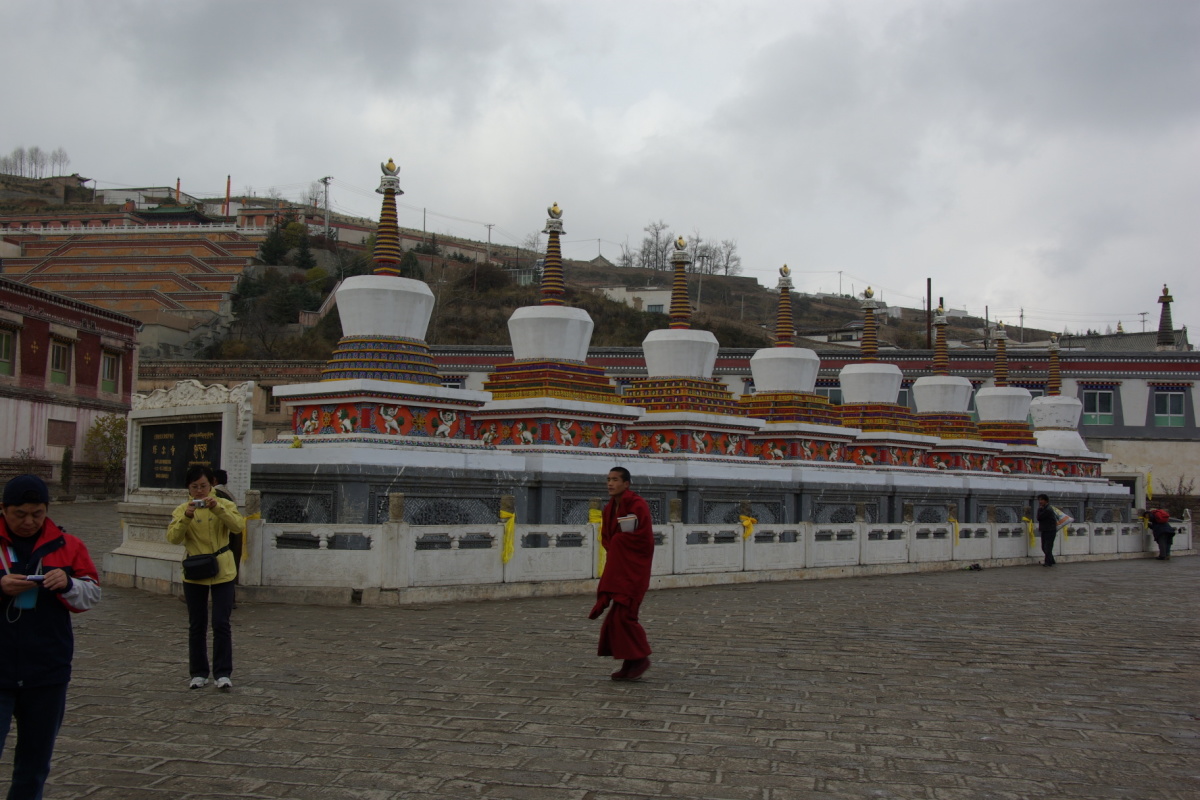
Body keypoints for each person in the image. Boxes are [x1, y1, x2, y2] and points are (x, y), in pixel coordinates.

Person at [1, 474, 101, 800]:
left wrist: (69, 584)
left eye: (37, 513)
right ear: (3, 509)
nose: (29, 522)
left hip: (47, 670)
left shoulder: (68, 545)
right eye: (20, 514)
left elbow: (92, 594)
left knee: (34, 765)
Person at [167, 465, 245, 691]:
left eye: (203, 486)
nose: (200, 491)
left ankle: (223, 673)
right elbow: (173, 538)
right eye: (195, 487)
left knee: (221, 622)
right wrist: (186, 517)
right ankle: (199, 673)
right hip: (196, 570)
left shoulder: (224, 504)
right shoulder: (182, 509)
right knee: (197, 624)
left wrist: (218, 508)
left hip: (222, 569)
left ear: (211, 485)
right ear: (188, 488)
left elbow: (237, 526)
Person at [589, 467, 655, 681]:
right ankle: (630, 661)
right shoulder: (609, 508)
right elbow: (607, 538)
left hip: (634, 568)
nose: (610, 483)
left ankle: (641, 658)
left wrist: (619, 542)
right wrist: (617, 544)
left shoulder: (637, 504)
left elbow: (643, 539)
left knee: (626, 616)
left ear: (626, 484)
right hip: (619, 566)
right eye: (608, 479)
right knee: (617, 619)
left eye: (615, 479)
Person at [1035, 494, 1057, 567]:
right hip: (1045, 530)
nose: (1040, 501)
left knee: (1047, 547)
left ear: (1046, 501)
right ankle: (1051, 560)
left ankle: (1048, 562)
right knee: (1044, 547)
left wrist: (1040, 509)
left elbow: (1039, 517)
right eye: (1039, 500)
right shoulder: (1044, 508)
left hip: (1050, 530)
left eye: (1042, 500)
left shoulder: (1048, 509)